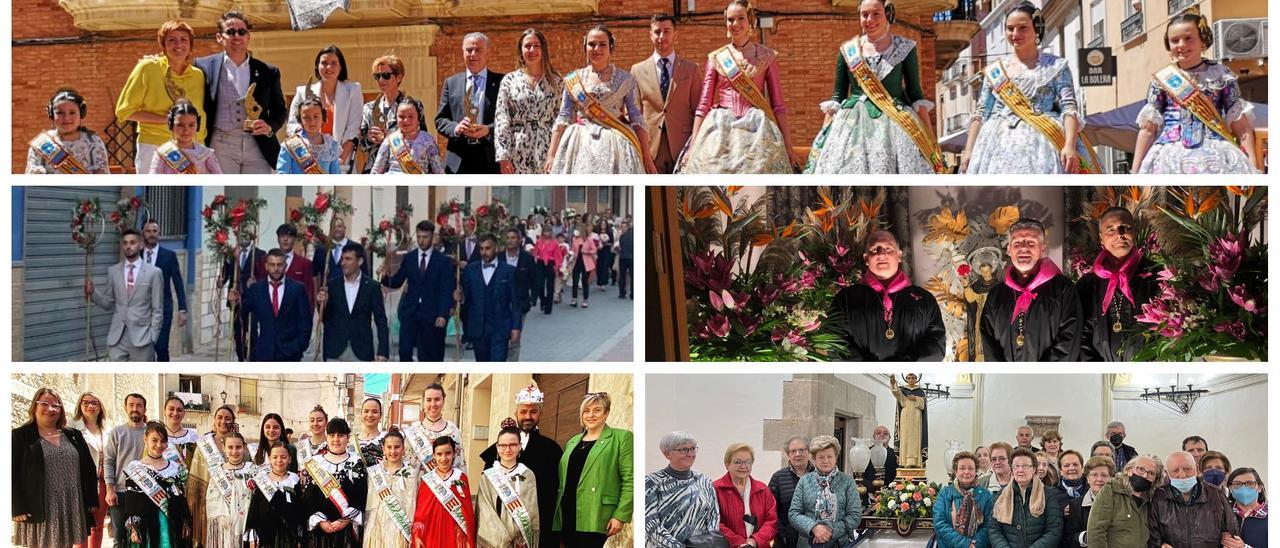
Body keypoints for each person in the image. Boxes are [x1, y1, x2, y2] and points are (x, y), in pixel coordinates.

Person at [961, 2, 1098, 174]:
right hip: (994, 145)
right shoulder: (995, 71)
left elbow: (1069, 108)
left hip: (1043, 144)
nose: (1015, 34)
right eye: (1010, 28)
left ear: (1037, 29)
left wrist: (1069, 146)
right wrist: (968, 151)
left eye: (1022, 28)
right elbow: (980, 113)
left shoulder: (1056, 66)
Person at [806, 0, 941, 174]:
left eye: (876, 13)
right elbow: (837, 96)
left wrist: (931, 141)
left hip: (896, 124)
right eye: (864, 14)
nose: (869, 19)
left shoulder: (905, 48)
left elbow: (915, 94)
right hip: (851, 125)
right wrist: (823, 137)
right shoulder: (848, 50)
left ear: (888, 15)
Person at [1132, 8, 1258, 174]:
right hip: (1169, 159)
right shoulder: (1162, 79)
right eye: (1175, 40)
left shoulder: (1222, 75)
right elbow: (1148, 129)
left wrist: (1253, 166)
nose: (1181, 45)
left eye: (1188, 38)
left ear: (1203, 41)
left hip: (1217, 156)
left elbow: (1241, 127)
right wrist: (1135, 171)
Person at [681, 0, 801, 173]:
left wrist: (788, 147)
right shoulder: (716, 58)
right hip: (720, 128)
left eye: (740, 18)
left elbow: (779, 106)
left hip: (756, 128)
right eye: (730, 20)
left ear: (750, 20)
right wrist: (692, 147)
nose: (735, 24)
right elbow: (703, 105)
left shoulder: (767, 57)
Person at [546, 25, 656, 175]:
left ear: (611, 46)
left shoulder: (625, 79)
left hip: (617, 142)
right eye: (591, 44)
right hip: (579, 143)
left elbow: (637, 118)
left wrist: (647, 156)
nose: (596, 49)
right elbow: (563, 116)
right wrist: (552, 154)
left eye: (602, 44)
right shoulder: (573, 80)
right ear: (585, 47)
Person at [194, 10, 287, 174]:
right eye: (230, 32)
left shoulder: (268, 71)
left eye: (241, 32)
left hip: (257, 145)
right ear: (219, 37)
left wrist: (269, 127)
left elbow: (280, 110)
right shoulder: (203, 66)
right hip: (221, 142)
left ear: (248, 37)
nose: (237, 36)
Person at [832, 230, 946, 360]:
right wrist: (869, 370)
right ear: (866, 258)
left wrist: (906, 367)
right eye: (875, 250)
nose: (882, 254)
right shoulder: (845, 299)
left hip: (908, 377)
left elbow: (936, 345)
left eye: (888, 249)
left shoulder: (925, 299)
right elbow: (834, 343)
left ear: (899, 255)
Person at [979, 218, 1082, 361]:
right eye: (1017, 243)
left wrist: (1040, 378)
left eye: (1031, 242)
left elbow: (1069, 340)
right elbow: (989, 343)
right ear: (1009, 249)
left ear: (1043, 247)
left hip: (1051, 380)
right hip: (1007, 381)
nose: (1023, 248)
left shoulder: (1063, 289)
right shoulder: (996, 295)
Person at [115, 19, 206, 173]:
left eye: (183, 40)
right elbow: (124, 111)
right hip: (155, 146)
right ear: (163, 45)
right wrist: (165, 119)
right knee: (150, 194)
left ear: (190, 45)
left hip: (193, 148)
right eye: (172, 40)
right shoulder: (148, 67)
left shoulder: (199, 75)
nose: (178, 45)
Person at [479, 383, 564, 548]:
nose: (528, 416)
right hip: (500, 528)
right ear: (516, 413)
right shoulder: (496, 451)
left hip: (539, 528)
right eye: (523, 411)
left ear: (540, 413)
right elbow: (486, 495)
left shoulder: (552, 449)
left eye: (533, 412)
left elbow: (557, 492)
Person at [12, 387, 97, 548]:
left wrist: (91, 499)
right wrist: (16, 507)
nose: (50, 409)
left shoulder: (73, 435)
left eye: (56, 405)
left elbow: (89, 468)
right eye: (44, 404)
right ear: (35, 406)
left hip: (71, 503)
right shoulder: (19, 436)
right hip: (39, 504)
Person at [1077, 207, 1160, 361]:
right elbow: (1080, 336)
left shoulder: (1157, 275)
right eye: (1110, 230)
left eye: (1125, 228)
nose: (1119, 235)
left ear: (1134, 232)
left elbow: (1167, 331)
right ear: (1101, 238)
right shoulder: (1087, 284)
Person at [555, 392, 633, 548]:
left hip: (596, 512)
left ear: (606, 413)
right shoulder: (573, 441)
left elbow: (630, 479)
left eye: (597, 410)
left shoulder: (621, 438)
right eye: (586, 410)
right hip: (567, 511)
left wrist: (620, 515)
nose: (591, 415)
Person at [632, 14, 701, 173]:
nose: (661, 36)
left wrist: (694, 147)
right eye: (657, 32)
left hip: (684, 147)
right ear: (650, 35)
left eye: (666, 31)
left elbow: (699, 110)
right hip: (650, 148)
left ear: (675, 34)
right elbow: (634, 113)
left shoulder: (691, 70)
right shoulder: (637, 71)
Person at [85, 229, 164, 362]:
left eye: (132, 242)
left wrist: (152, 337)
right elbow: (108, 303)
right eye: (125, 243)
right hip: (118, 337)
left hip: (142, 337)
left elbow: (158, 308)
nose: (128, 246)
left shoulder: (154, 273)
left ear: (140, 245)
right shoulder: (113, 271)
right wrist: (93, 293)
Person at [382, 221, 456, 362]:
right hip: (410, 312)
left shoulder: (442, 261)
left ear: (432, 237)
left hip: (432, 314)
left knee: (429, 355)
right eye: (419, 237)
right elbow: (397, 281)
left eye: (425, 237)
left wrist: (443, 314)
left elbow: (446, 290)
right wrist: (385, 277)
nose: (422, 241)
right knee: (404, 352)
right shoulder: (409, 258)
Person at [495, 29, 563, 174]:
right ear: (521, 50)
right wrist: (503, 156)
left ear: (543, 49)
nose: (532, 50)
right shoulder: (509, 80)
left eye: (536, 45)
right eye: (527, 46)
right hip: (517, 151)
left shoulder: (557, 81)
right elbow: (502, 118)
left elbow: (562, 119)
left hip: (549, 149)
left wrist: (556, 153)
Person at [288, 45, 362, 172]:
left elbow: (353, 130)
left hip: (340, 163)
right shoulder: (303, 92)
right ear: (317, 66)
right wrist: (308, 159)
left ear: (341, 67)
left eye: (334, 63)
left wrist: (339, 160)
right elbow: (292, 127)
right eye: (324, 63)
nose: (329, 67)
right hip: (308, 164)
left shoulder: (353, 90)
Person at [437, 32, 503, 174]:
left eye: (478, 50)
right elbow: (440, 120)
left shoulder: (501, 82)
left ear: (487, 54)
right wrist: (456, 128)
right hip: (459, 157)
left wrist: (488, 130)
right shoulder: (451, 83)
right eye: (469, 50)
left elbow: (509, 120)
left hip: (490, 156)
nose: (473, 54)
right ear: (463, 52)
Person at [231, 249, 313, 361]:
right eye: (272, 265)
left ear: (285, 266)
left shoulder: (297, 289)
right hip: (263, 353)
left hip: (290, 353)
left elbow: (305, 320)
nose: (276, 269)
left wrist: (300, 345)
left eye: (279, 265)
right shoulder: (256, 289)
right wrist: (235, 302)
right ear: (266, 266)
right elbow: (242, 311)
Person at [122, 422, 193, 546]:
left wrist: (186, 521)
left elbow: (182, 498)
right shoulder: (136, 468)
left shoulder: (175, 468)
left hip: (171, 524)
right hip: (146, 527)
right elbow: (131, 502)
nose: (159, 445)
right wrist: (133, 528)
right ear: (146, 439)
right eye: (154, 440)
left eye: (163, 441)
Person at [455, 233, 524, 362]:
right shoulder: (471, 270)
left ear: (496, 248)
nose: (484, 252)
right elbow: (466, 298)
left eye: (488, 248)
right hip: (478, 328)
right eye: (481, 248)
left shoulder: (508, 271)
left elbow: (515, 302)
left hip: (500, 327)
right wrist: (460, 297)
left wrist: (516, 327)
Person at [645, 431, 719, 548]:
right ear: (668, 454)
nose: (690, 454)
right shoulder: (652, 481)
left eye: (693, 448)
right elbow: (651, 524)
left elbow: (714, 516)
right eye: (684, 449)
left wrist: (710, 542)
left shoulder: (704, 480)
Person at [1149, 451, 1238, 547]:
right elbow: (1152, 535)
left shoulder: (1216, 495)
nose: (1182, 475)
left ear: (1196, 469)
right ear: (1168, 473)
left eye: (1187, 469)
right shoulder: (1158, 497)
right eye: (1175, 471)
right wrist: (1161, 545)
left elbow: (1232, 533)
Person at [317, 243, 390, 361]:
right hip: (335, 350)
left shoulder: (372, 287)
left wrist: (383, 351)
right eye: (342, 259)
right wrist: (321, 303)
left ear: (360, 261)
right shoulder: (331, 285)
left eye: (348, 259)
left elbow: (380, 319)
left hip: (362, 351)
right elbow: (325, 318)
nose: (343, 263)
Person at [302, 417, 367, 548]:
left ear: (348, 438)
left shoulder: (356, 462)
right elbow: (309, 496)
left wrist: (345, 520)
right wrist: (321, 521)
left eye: (341, 435)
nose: (336, 439)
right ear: (327, 437)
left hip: (347, 529)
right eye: (332, 435)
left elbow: (361, 494)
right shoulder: (316, 462)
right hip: (321, 529)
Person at [789, 435, 861, 548]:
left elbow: (855, 515)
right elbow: (794, 514)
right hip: (808, 543)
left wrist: (830, 531)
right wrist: (814, 528)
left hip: (839, 543)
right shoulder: (804, 481)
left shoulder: (847, 481)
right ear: (814, 459)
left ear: (836, 457)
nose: (826, 461)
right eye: (821, 457)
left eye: (830, 456)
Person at [476, 423, 540, 548]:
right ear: (497, 447)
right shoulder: (488, 477)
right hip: (494, 540)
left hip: (520, 541)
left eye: (513, 445)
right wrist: (503, 537)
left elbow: (532, 511)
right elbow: (485, 512)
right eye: (503, 445)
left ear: (520, 446)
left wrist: (517, 536)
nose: (507, 449)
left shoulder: (528, 475)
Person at [989, 448, 1061, 547]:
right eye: (1016, 466)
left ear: (1034, 469)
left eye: (1025, 466)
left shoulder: (1048, 494)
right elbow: (994, 529)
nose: (1020, 470)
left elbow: (1054, 530)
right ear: (1012, 469)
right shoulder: (1001, 495)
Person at [411, 437, 476, 547]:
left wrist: (466, 538)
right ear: (434, 455)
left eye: (448, 453)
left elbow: (467, 512)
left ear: (455, 453)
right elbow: (421, 512)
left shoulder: (461, 477)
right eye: (439, 454)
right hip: (431, 533)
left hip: (454, 535)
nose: (444, 458)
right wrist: (417, 534)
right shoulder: (427, 480)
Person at [27, 88, 110, 173]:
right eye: (60, 113)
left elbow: (103, 179)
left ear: (81, 113)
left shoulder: (93, 142)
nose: (66, 118)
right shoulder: (42, 144)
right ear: (51, 114)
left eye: (72, 112)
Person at [140, 219, 188, 363]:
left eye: (155, 231)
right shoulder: (137, 256)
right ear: (143, 233)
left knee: (161, 347)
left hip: (163, 308)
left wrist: (182, 309)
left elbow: (178, 282)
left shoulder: (169, 255)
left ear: (159, 233)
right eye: (148, 231)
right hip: (141, 310)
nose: (151, 234)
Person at [187, 404, 235, 547]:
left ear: (233, 421)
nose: (223, 421)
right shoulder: (203, 445)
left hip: (231, 503)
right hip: (208, 502)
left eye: (228, 418)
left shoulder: (238, 444)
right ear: (214, 420)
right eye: (219, 417)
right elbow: (196, 474)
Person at [1085, 454, 1158, 548]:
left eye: (1151, 473)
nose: (1145, 475)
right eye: (1140, 469)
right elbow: (1096, 531)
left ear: (1155, 480)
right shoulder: (1111, 490)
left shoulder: (1152, 500)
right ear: (1129, 470)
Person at [713, 443, 778, 547]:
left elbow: (772, 520)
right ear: (727, 464)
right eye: (738, 462)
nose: (743, 466)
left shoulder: (762, 489)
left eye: (748, 462)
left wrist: (755, 541)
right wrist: (739, 543)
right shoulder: (715, 489)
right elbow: (714, 522)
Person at [363, 430, 418, 548]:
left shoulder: (412, 474)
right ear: (383, 449)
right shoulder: (374, 473)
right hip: (377, 527)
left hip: (401, 528)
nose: (393, 451)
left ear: (403, 449)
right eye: (389, 447)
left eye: (397, 447)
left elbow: (413, 503)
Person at [245, 441, 305, 548]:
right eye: (275, 457)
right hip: (266, 535)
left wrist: (300, 536)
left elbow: (299, 510)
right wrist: (253, 538)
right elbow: (254, 511)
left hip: (289, 536)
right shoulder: (262, 480)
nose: (279, 460)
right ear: (269, 459)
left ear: (290, 459)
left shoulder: (294, 480)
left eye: (283, 457)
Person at [71, 392, 109, 548]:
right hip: (82, 484)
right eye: (85, 403)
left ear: (100, 407)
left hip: (103, 484)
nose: (90, 406)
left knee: (98, 526)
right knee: (81, 526)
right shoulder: (72, 428)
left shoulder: (107, 429)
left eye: (94, 403)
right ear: (80, 406)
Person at [220, 232, 266, 361]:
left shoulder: (260, 254)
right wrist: (220, 281)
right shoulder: (231, 254)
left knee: (251, 331)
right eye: (241, 234)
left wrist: (256, 281)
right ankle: (241, 358)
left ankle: (252, 358)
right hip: (235, 299)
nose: (243, 237)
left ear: (251, 236)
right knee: (237, 331)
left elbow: (264, 276)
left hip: (252, 299)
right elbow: (225, 273)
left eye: (246, 235)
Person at [370, 95, 446, 174]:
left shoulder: (428, 140)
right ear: (396, 118)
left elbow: (439, 172)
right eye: (401, 117)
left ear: (418, 117)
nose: (406, 120)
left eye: (410, 116)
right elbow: (376, 172)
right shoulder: (390, 140)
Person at [933, 451, 994, 548]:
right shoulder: (944, 494)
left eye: (970, 468)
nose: (966, 472)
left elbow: (989, 525)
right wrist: (964, 543)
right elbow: (939, 523)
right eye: (962, 468)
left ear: (975, 471)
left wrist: (974, 544)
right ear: (956, 471)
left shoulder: (986, 495)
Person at [359, 55, 407, 173]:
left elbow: (419, 140)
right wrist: (369, 139)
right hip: (373, 169)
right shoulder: (368, 108)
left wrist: (386, 139)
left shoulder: (412, 107)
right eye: (377, 76)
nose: (381, 80)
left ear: (399, 77)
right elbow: (361, 144)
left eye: (386, 76)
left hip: (401, 168)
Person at [205, 432, 254, 548]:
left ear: (244, 448)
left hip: (247, 525)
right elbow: (212, 500)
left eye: (238, 447)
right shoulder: (217, 472)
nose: (234, 451)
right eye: (230, 447)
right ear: (224, 448)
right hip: (224, 526)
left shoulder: (251, 470)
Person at [149, 98, 222, 173]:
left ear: (198, 125)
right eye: (180, 125)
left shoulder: (205, 154)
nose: (186, 130)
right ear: (171, 125)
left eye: (191, 125)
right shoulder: (164, 152)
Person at [768, 436, 815, 548]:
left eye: (802, 450)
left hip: (815, 538)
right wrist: (782, 535)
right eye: (793, 451)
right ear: (788, 454)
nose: (797, 454)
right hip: (787, 540)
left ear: (808, 452)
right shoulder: (778, 478)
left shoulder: (819, 475)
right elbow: (771, 510)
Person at [277, 96, 343, 174]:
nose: (312, 122)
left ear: (323, 117)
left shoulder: (331, 145)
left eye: (316, 116)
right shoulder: (291, 145)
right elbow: (282, 174)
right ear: (300, 119)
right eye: (306, 118)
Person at [255, 223, 316, 306]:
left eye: (289, 236)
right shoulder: (265, 261)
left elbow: (309, 294)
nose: (285, 239)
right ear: (278, 239)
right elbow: (260, 289)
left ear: (294, 239)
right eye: (282, 236)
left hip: (295, 314)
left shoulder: (304, 264)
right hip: (270, 311)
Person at [1060, 455, 1114, 548]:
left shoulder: (1121, 502)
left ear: (1111, 478)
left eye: (1104, 475)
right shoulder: (1075, 505)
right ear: (1088, 478)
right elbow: (1069, 538)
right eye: (1094, 475)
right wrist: (1085, 537)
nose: (1099, 479)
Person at [501, 227, 537, 361]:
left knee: (514, 337)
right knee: (501, 336)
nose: (510, 241)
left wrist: (533, 298)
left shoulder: (527, 259)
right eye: (508, 238)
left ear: (519, 240)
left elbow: (535, 279)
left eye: (513, 238)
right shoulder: (498, 258)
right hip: (501, 304)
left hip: (520, 305)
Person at [312, 216, 369, 282]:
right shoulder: (321, 250)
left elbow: (365, 273)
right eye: (334, 227)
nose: (336, 229)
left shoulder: (356, 247)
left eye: (339, 226)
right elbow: (314, 274)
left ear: (344, 228)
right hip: (328, 290)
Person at [889, 374, 927, 467]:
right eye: (909, 378)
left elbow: (923, 405)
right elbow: (897, 393)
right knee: (905, 437)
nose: (911, 380)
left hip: (916, 417)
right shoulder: (903, 390)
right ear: (906, 379)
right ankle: (904, 462)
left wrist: (916, 398)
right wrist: (893, 382)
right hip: (905, 416)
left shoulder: (920, 391)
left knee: (916, 438)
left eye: (913, 378)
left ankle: (916, 462)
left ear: (916, 379)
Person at [1227, 467, 1267, 548]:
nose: (1243, 488)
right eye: (1237, 484)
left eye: (1250, 483)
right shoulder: (1223, 513)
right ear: (1230, 489)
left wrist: (1244, 547)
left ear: (1259, 487)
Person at [532, 227, 565, 314]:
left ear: (551, 232)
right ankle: (543, 301)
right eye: (545, 231)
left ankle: (548, 308)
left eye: (548, 231)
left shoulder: (554, 243)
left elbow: (558, 256)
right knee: (540, 284)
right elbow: (535, 253)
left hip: (551, 263)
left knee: (550, 286)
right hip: (540, 263)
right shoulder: (539, 241)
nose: (547, 233)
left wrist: (558, 267)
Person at [859, 425, 898, 498]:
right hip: (868, 494)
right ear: (874, 436)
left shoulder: (897, 455)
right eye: (878, 433)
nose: (882, 435)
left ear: (889, 438)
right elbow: (859, 475)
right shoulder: (865, 453)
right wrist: (873, 490)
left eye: (885, 433)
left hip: (891, 495)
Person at [162, 396, 200, 465]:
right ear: (164, 411)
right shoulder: (158, 435)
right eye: (171, 409)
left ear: (184, 413)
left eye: (179, 410)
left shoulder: (192, 436)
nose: (175, 413)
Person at [568, 223, 598, 309]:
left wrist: (587, 252)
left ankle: (585, 300)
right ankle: (574, 299)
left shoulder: (589, 240)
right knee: (575, 280)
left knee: (585, 281)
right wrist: (570, 254)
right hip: (576, 261)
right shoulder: (575, 239)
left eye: (580, 230)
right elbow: (573, 249)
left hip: (586, 262)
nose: (579, 231)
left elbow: (594, 250)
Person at [354, 397, 387, 468]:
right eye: (366, 411)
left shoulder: (387, 439)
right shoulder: (351, 441)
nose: (370, 415)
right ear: (361, 414)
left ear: (380, 415)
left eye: (374, 412)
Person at [593, 219, 615, 290]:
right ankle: (599, 282)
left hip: (606, 251)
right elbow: (594, 241)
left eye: (604, 224)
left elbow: (612, 243)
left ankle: (603, 283)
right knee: (599, 267)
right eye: (602, 224)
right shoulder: (597, 232)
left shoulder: (609, 233)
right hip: (599, 251)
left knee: (605, 267)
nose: (603, 225)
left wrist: (605, 243)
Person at [616, 220, 633, 300]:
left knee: (623, 276)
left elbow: (621, 248)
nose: (623, 228)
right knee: (626, 276)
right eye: (622, 227)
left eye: (625, 227)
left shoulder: (626, 236)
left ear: (628, 227)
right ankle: (629, 293)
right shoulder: (623, 236)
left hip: (627, 257)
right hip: (626, 257)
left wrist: (618, 249)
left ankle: (623, 293)